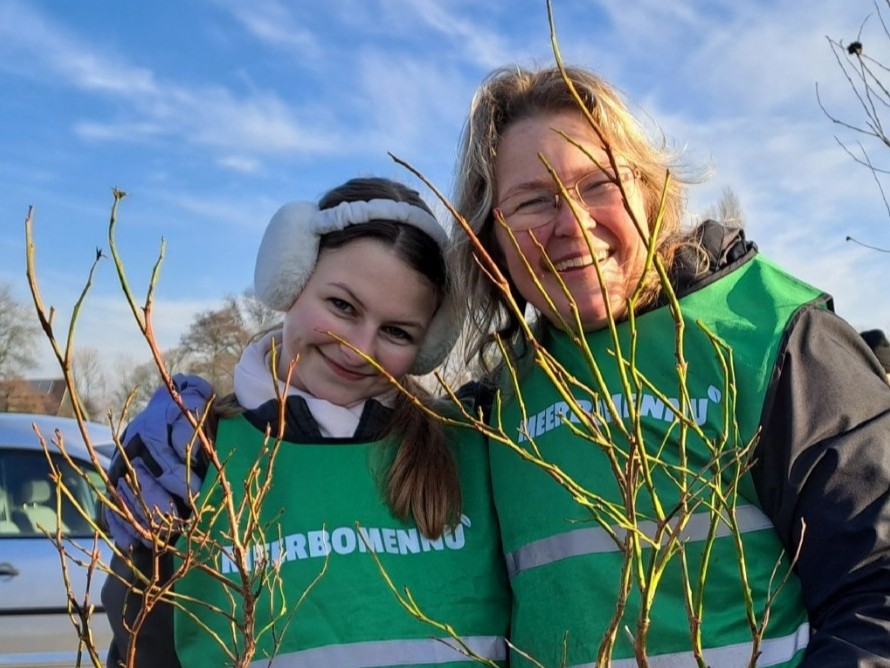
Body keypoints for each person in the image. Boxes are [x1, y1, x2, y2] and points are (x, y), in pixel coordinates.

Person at [450, 65, 890, 667]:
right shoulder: (498, 406)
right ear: (488, 241)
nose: (572, 224)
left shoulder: (769, 338)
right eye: (531, 201)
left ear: (650, 194)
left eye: (599, 183)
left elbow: (877, 588)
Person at [101, 177, 510, 667]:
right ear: (289, 280)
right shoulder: (189, 459)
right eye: (342, 306)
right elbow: (145, 646)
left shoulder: (477, 450)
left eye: (397, 332)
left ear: (430, 345)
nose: (359, 348)